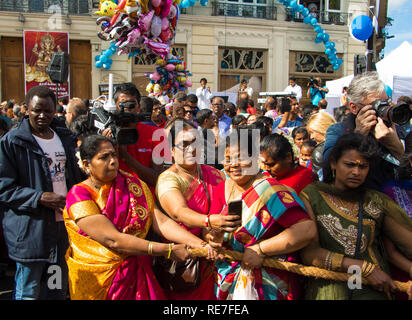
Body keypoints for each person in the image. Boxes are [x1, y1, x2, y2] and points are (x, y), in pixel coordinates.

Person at [64, 134, 215, 300]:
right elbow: (113, 240)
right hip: (99, 281)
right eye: (104, 157)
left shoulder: (133, 185)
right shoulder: (79, 195)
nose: (113, 161)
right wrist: (168, 250)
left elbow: (162, 222)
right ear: (87, 164)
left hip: (137, 275)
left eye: (114, 154)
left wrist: (200, 244)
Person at [206, 128, 316, 300]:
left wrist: (260, 249)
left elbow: (306, 230)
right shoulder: (221, 188)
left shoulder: (270, 190)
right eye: (228, 159)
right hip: (227, 278)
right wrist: (214, 238)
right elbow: (210, 230)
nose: (233, 165)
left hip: (268, 283)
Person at [300, 133, 412, 300]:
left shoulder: (376, 201)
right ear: (333, 163)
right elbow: (310, 253)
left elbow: (407, 241)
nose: (356, 172)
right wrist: (364, 268)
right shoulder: (312, 195)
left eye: (363, 167)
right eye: (349, 165)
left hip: (374, 290)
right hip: (332, 290)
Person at [0, 86, 83, 300]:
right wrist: (39, 197)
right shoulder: (13, 142)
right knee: (29, 291)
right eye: (37, 110)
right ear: (26, 109)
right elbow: (4, 188)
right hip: (31, 232)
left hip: (62, 229)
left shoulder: (65, 138)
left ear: (55, 110)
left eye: (48, 111)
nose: (42, 116)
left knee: (55, 288)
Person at [155, 120, 240, 299]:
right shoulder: (168, 179)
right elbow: (179, 212)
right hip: (185, 260)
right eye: (184, 144)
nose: (191, 149)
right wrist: (208, 221)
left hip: (217, 257)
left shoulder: (214, 174)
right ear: (171, 150)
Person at [324, 72, 405, 190]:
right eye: (377, 105)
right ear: (354, 107)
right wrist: (358, 136)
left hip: (394, 201)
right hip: (356, 200)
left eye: (385, 103)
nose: (383, 110)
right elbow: (328, 171)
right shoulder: (338, 131)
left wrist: (396, 147)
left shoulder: (396, 129)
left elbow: (408, 173)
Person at [108, 83, 164, 190]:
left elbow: (156, 178)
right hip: (116, 199)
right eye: (122, 105)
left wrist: (126, 156)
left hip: (146, 201)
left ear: (139, 107)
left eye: (132, 105)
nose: (127, 109)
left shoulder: (156, 134)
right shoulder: (108, 134)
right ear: (115, 107)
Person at [306, 112, 336, 179]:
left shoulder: (319, 152)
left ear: (321, 129)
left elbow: (321, 182)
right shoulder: (344, 141)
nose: (311, 137)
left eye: (312, 132)